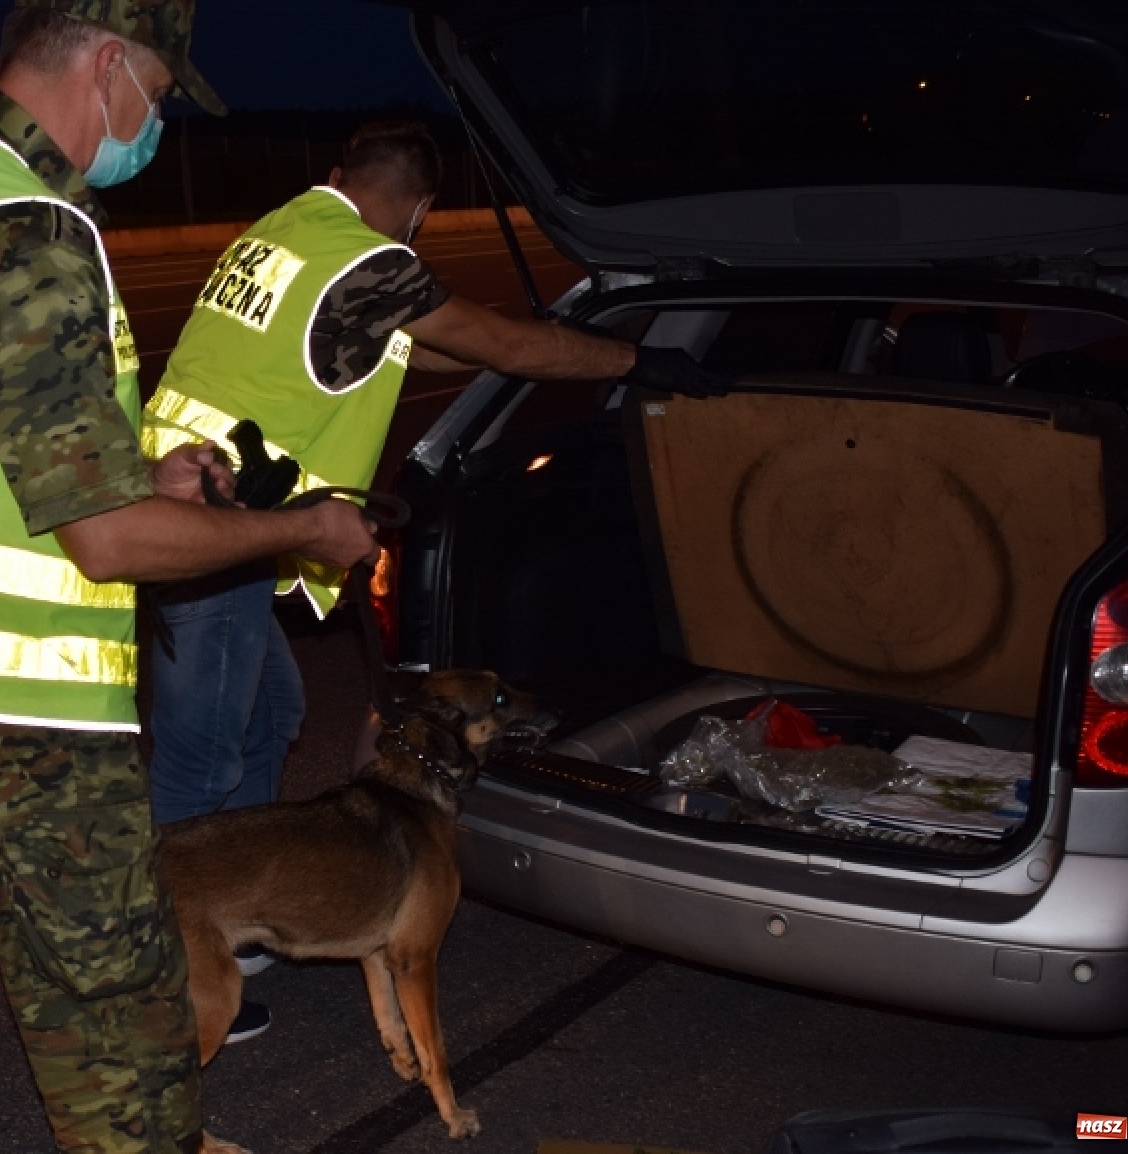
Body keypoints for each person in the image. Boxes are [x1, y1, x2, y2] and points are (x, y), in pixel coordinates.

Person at [0, 3, 377, 1152]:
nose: (153, 126)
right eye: (156, 95)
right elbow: (106, 541)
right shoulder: (26, 229)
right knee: (121, 1041)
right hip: (27, 730)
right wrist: (300, 527)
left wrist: (137, 467)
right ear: (107, 65)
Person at [138, 121, 721, 1032]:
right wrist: (637, 359)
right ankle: (162, 968)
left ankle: (243, 919)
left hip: (204, 515)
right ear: (419, 211)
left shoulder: (289, 230)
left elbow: (441, 346)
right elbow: (505, 349)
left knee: (271, 720)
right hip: (210, 538)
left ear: (337, 177)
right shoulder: (371, 263)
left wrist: (538, 336)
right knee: (199, 755)